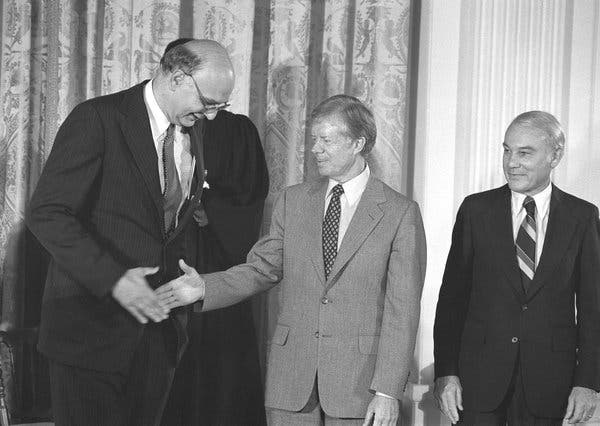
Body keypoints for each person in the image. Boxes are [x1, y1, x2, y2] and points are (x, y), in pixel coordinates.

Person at [156, 94, 427, 425]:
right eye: (314, 139)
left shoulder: (400, 213)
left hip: (360, 390)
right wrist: (204, 288)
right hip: (291, 385)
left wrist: (387, 392)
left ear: (357, 143)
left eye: (326, 140)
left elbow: (403, 311)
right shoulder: (293, 201)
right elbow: (260, 270)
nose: (315, 149)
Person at [27, 38, 235, 426]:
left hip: (157, 340)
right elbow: (48, 212)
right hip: (90, 334)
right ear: (176, 77)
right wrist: (115, 281)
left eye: (220, 107)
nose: (210, 116)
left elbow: (164, 225)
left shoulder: (192, 129)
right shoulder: (98, 118)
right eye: (208, 103)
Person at [433, 111, 600, 425]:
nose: (512, 162)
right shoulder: (475, 210)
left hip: (550, 383)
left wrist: (588, 382)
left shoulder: (583, 217)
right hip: (478, 381)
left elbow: (594, 308)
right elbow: (452, 301)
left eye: (525, 153)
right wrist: (446, 372)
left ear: (555, 155)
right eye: (507, 150)